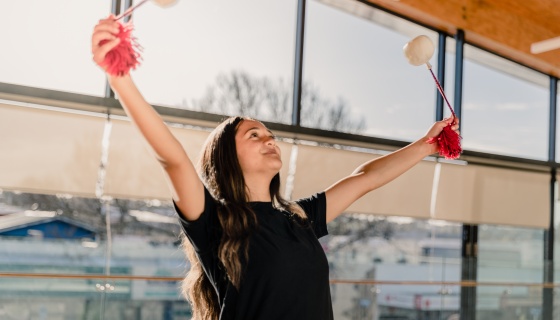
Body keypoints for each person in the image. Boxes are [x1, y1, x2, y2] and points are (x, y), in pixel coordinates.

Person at [91, 15, 460, 320]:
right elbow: (172, 158)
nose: (270, 140)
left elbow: (366, 178)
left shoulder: (299, 218)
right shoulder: (212, 221)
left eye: (270, 134)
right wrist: (119, 79)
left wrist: (429, 143)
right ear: (227, 158)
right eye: (254, 135)